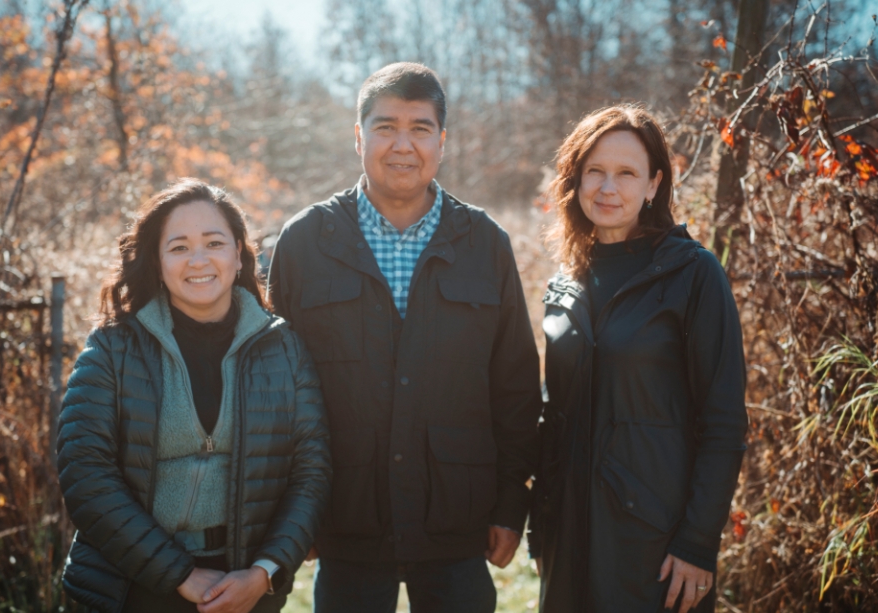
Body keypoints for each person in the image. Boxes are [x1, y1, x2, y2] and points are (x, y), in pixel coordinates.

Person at [268, 62, 542, 613]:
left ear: (442, 142)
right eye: (385, 126)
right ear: (358, 136)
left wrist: (511, 505)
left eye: (420, 128)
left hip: (457, 523)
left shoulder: (484, 243)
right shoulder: (304, 242)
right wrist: (297, 516)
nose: (402, 145)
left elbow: (514, 386)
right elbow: (277, 392)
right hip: (344, 521)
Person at [56, 179, 331, 613]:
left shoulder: (284, 349)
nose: (198, 260)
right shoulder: (112, 349)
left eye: (214, 243)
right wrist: (179, 573)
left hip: (242, 587)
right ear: (157, 261)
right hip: (130, 586)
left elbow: (311, 472)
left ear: (239, 254)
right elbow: (85, 473)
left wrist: (263, 572)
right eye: (179, 247)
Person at [529, 105, 748, 613]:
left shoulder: (694, 275)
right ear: (576, 181)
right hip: (568, 539)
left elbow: (724, 423)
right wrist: (542, 529)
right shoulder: (564, 284)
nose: (609, 187)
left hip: (654, 544)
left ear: (654, 185)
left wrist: (697, 544)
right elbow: (553, 417)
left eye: (627, 173)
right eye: (595, 171)